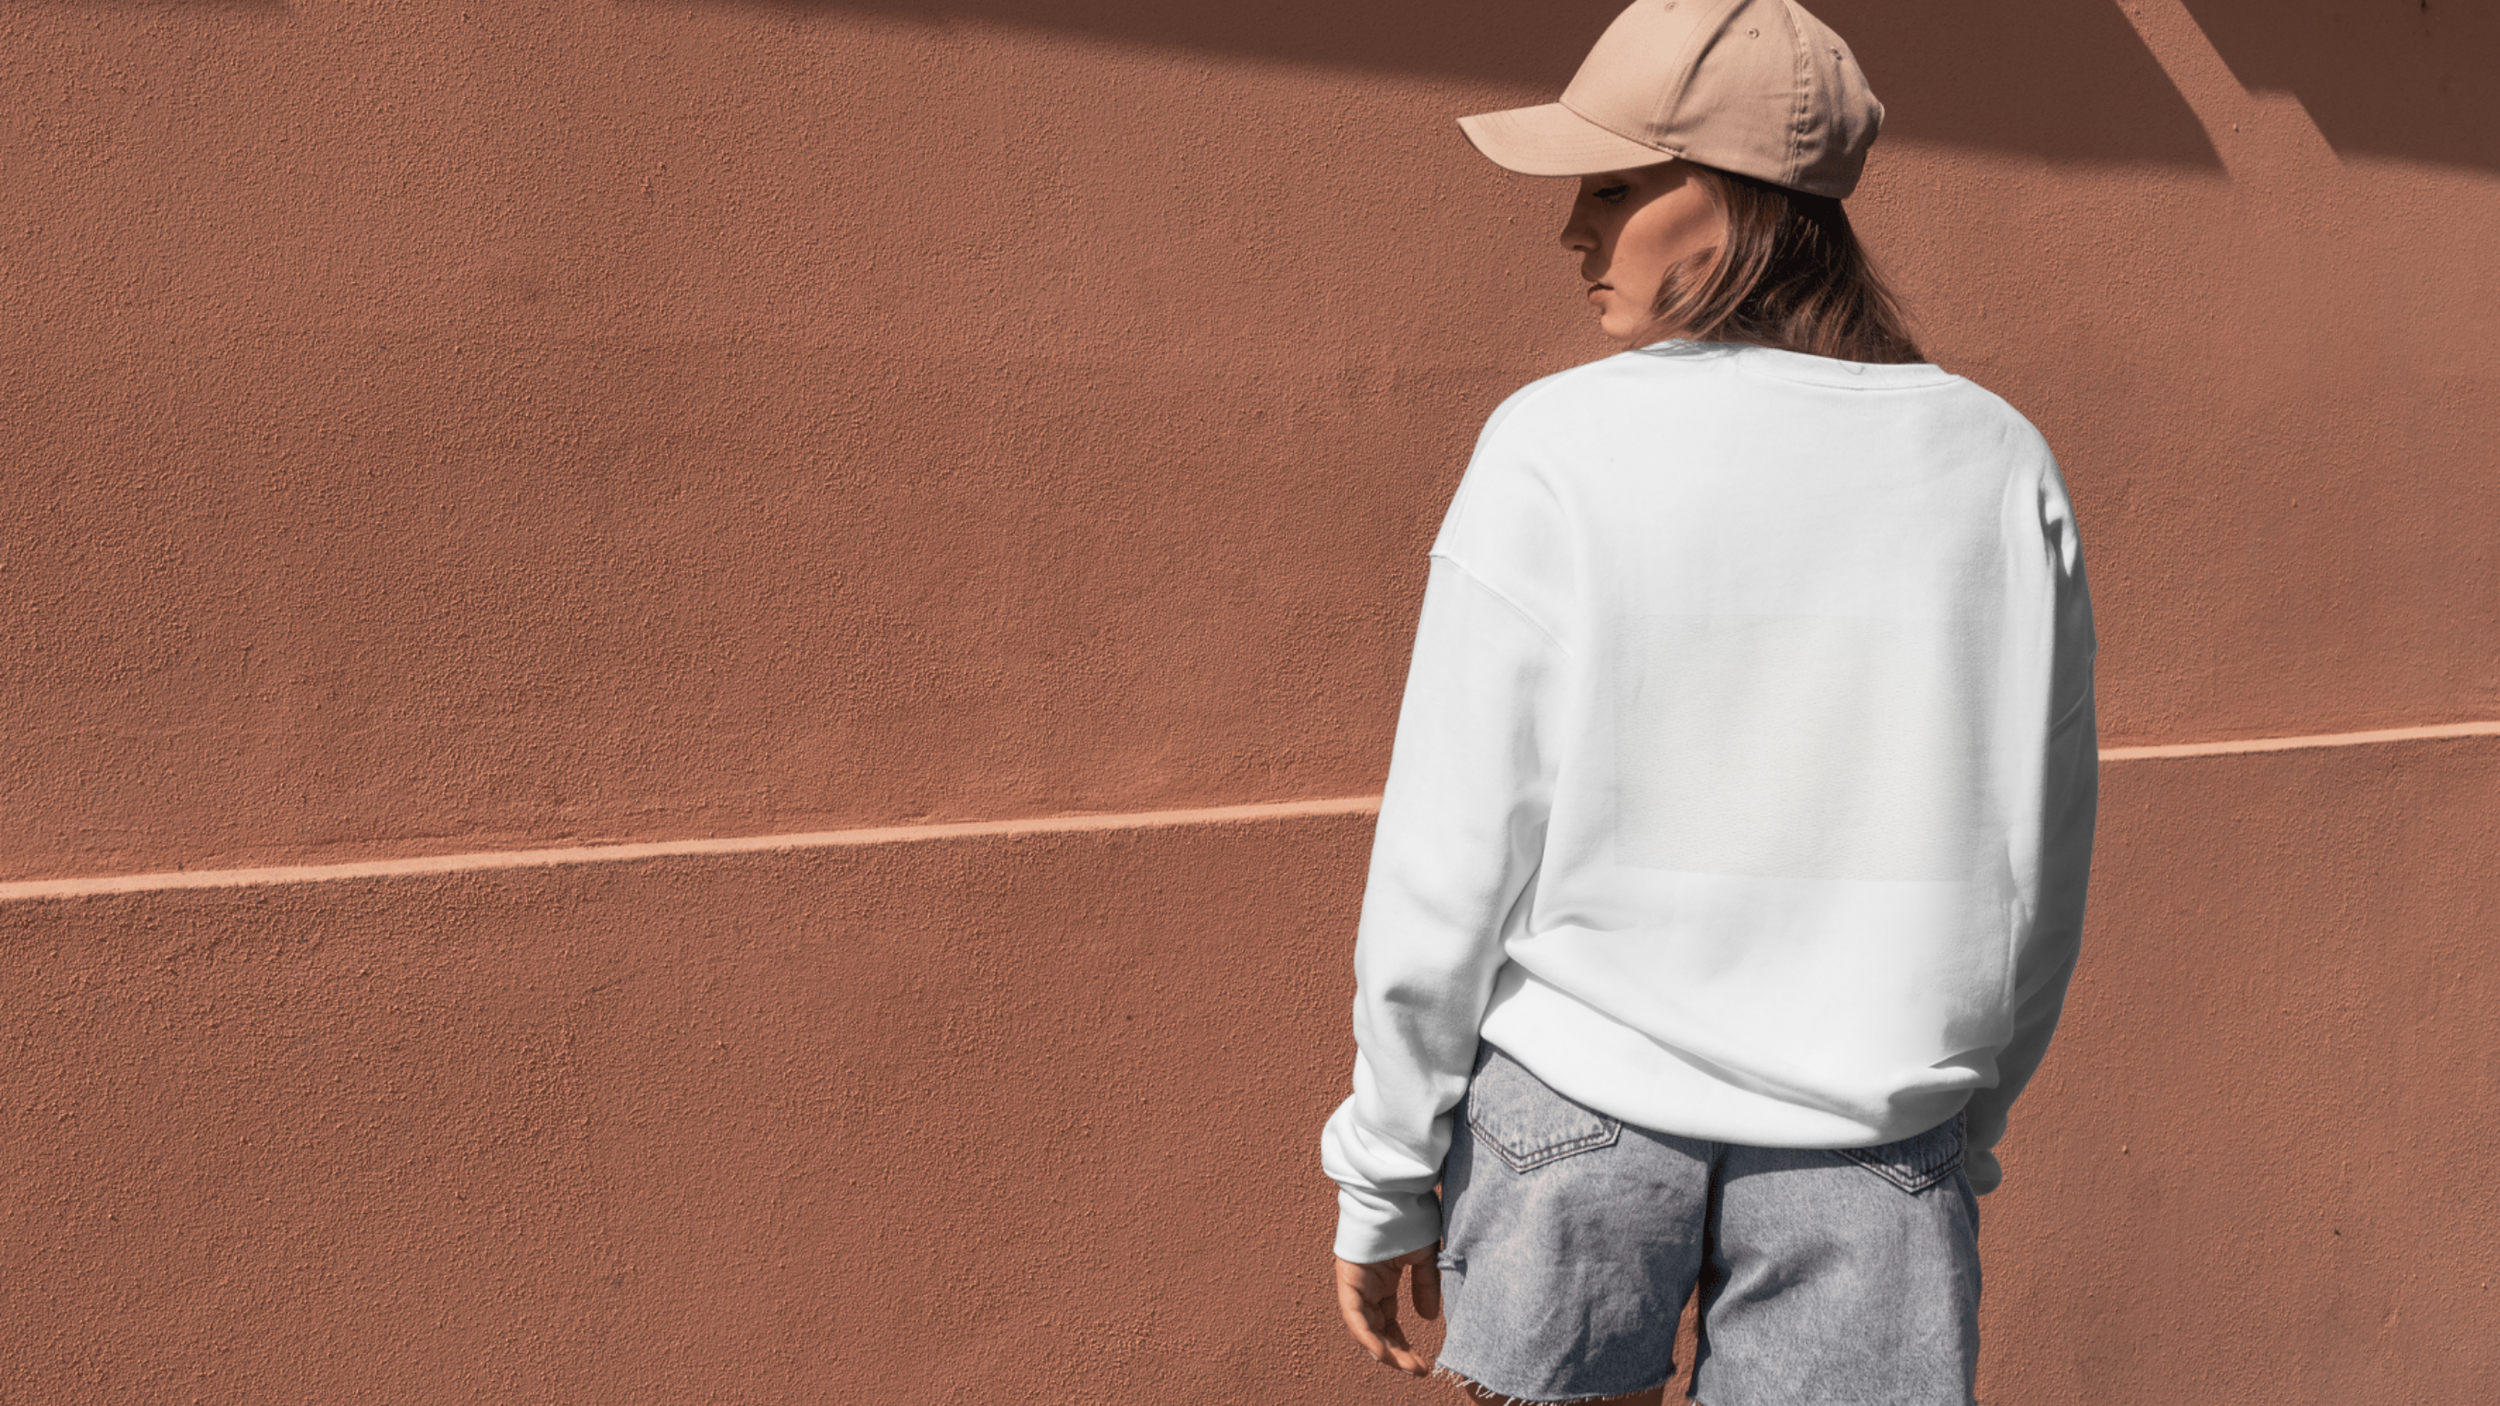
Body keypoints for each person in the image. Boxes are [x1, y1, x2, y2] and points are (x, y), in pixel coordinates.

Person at [1317, 2, 2099, 1403]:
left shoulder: (1556, 447)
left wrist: (1383, 1163)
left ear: (1738, 205)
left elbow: (1451, 847)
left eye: (1614, 186)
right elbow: (2038, 856)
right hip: (1874, 1133)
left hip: (1573, 1109)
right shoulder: (1995, 462)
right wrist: (1967, 1118)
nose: (1572, 230)